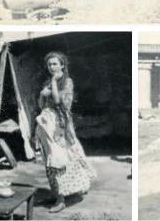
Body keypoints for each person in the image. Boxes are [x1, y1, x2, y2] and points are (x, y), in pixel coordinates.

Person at [35, 52, 96, 213]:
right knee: (52, 159)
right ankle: (58, 195)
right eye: (49, 64)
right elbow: (42, 105)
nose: (52, 67)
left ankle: (63, 197)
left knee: (64, 157)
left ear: (62, 65)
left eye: (55, 64)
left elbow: (58, 101)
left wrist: (54, 83)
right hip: (47, 122)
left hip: (60, 124)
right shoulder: (48, 82)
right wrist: (42, 94)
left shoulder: (67, 82)